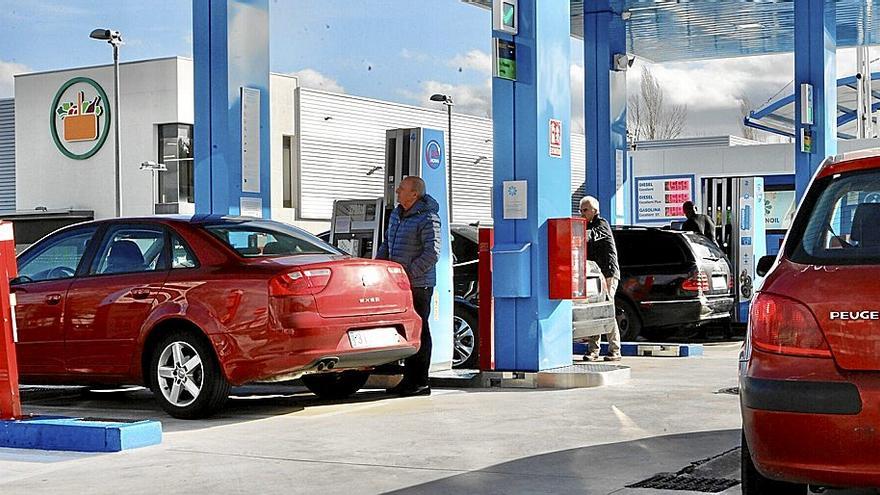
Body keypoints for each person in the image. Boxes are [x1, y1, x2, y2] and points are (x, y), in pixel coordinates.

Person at [376, 176, 441, 396]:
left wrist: (407, 274)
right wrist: (380, 266)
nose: (397, 192)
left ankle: (420, 381)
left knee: (420, 331)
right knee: (404, 330)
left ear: (414, 194)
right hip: (397, 284)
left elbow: (432, 253)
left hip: (418, 285)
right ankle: (408, 379)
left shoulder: (428, 218)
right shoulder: (397, 214)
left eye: (401, 189)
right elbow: (388, 243)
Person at [579, 196, 622, 362]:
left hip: (608, 274)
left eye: (585, 210)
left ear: (594, 211)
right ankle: (593, 350)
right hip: (594, 276)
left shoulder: (601, 224)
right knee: (594, 311)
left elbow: (591, 235)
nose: (581, 213)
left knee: (607, 309)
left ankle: (615, 349)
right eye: (580, 210)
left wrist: (575, 231)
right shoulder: (587, 225)